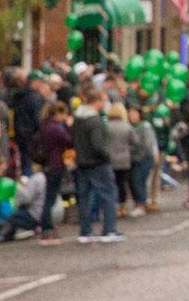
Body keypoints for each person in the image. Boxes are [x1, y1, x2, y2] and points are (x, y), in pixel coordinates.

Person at [71, 88, 122, 242]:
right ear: (97, 102)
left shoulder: (77, 118)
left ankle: (85, 231)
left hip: (82, 162)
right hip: (98, 163)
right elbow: (98, 144)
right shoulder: (95, 120)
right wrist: (107, 156)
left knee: (85, 198)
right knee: (108, 195)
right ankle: (109, 230)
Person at [37, 101, 72, 242]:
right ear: (57, 113)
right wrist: (69, 127)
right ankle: (47, 227)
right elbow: (69, 141)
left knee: (49, 196)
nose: (65, 117)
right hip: (56, 164)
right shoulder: (55, 128)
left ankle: (47, 226)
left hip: (48, 164)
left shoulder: (44, 125)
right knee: (50, 198)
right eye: (64, 114)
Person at [105, 102, 137, 220]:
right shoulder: (126, 126)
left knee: (111, 184)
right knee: (122, 183)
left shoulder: (106, 126)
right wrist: (128, 150)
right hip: (124, 159)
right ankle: (123, 206)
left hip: (110, 159)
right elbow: (135, 142)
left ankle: (114, 206)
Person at [127, 105, 157, 216]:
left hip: (143, 159)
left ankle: (141, 204)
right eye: (130, 113)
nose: (132, 116)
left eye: (134, 113)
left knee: (138, 181)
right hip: (132, 159)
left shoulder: (145, 126)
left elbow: (148, 144)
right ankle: (139, 203)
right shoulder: (129, 126)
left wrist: (138, 153)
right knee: (134, 182)